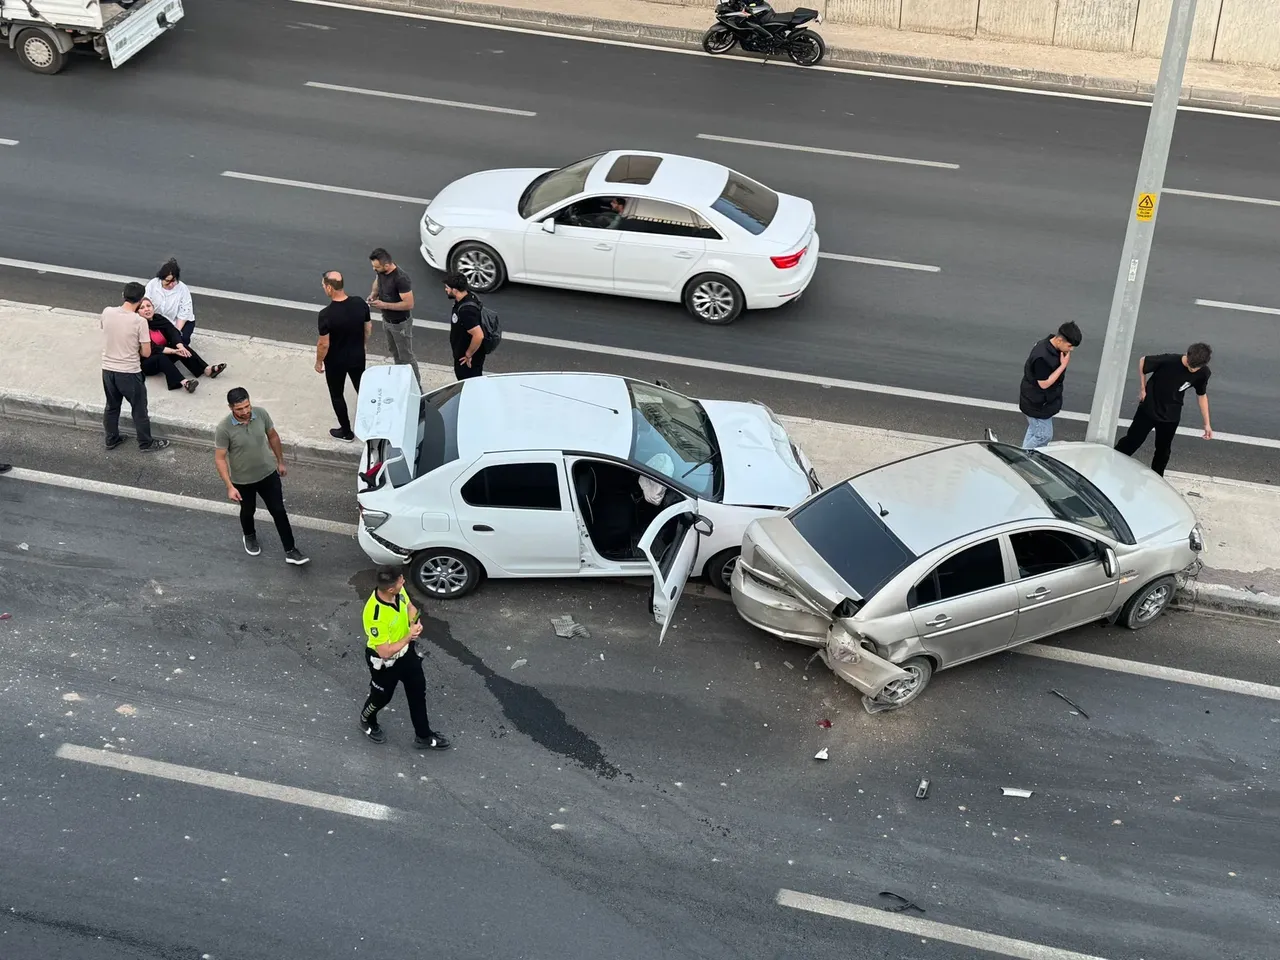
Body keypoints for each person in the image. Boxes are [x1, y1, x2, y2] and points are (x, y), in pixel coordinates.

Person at [213, 387, 310, 565]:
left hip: (268, 474)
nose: (245, 411)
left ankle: (291, 550)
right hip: (243, 480)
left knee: (279, 511)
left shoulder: (261, 414)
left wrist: (280, 461)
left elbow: (272, 436)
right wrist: (229, 486)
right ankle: (249, 536)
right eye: (239, 409)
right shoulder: (223, 428)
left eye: (247, 406)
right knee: (248, 510)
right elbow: (220, 458)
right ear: (230, 408)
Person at [359, 566, 450, 750]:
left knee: (418, 693)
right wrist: (409, 636)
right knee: (381, 698)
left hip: (407, 654)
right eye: (401, 582)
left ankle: (423, 736)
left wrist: (414, 622)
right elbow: (385, 651)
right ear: (390, 588)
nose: (404, 583)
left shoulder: (398, 593)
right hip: (384, 663)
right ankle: (366, 719)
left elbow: (410, 607)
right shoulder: (375, 615)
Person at [1114, 343, 1213, 476]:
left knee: (1163, 450)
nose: (1192, 370)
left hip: (1171, 415)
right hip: (1149, 409)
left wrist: (1207, 424)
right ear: (1187, 355)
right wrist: (1143, 388)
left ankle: (1157, 478)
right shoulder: (1169, 360)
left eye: (1196, 368)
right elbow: (1143, 361)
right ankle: (1112, 465)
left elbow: (1201, 396)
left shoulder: (1203, 373)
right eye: (1190, 366)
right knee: (1132, 441)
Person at [102, 282, 170, 453]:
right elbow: (146, 353)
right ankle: (145, 443)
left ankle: (111, 438)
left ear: (123, 294)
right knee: (139, 409)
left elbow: (106, 330)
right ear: (140, 300)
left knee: (111, 406)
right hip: (129, 372)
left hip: (108, 370)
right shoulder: (140, 321)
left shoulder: (107, 312)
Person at [316, 271, 372, 441]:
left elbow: (323, 344)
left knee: (337, 394)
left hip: (335, 362)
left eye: (324, 286)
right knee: (362, 391)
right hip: (357, 356)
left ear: (329, 288)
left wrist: (319, 362)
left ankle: (346, 432)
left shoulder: (326, 314)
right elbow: (368, 328)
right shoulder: (359, 303)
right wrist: (361, 344)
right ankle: (371, 425)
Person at [139, 298, 226, 393]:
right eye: (142, 308)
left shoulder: (158, 319)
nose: (147, 309)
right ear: (137, 312)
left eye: (148, 306)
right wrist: (174, 351)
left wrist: (179, 346)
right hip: (147, 362)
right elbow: (152, 348)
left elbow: (172, 332)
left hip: (164, 353)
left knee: (181, 346)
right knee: (161, 357)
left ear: (153, 307)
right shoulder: (138, 326)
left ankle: (206, 369)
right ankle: (185, 383)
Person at [1018, 321, 1082, 449]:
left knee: (1036, 431)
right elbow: (1044, 384)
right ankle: (1022, 457)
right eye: (1069, 346)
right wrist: (1063, 365)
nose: (1071, 350)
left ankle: (1023, 455)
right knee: (1043, 436)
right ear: (1059, 340)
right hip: (1036, 404)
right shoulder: (1042, 357)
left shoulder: (1051, 347)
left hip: (1041, 402)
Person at [367, 248, 421, 384]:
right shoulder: (382, 272)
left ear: (386, 265)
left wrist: (384, 305)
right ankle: (401, 376)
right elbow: (377, 280)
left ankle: (415, 385)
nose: (374, 269)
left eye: (376, 267)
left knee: (406, 356)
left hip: (400, 324)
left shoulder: (401, 279)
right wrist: (374, 293)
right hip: (387, 320)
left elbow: (409, 304)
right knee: (394, 351)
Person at [144, 258, 197, 347]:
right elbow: (145, 302)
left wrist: (175, 334)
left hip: (179, 322)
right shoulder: (152, 285)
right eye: (167, 281)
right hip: (159, 320)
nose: (171, 285)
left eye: (174, 281)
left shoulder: (183, 289)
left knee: (181, 341)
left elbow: (184, 313)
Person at [444, 272, 485, 381]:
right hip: (463, 353)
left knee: (468, 382)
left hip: (467, 359)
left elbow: (478, 335)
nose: (446, 290)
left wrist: (468, 354)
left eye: (447, 288)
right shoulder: (467, 297)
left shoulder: (466, 310)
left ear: (455, 290)